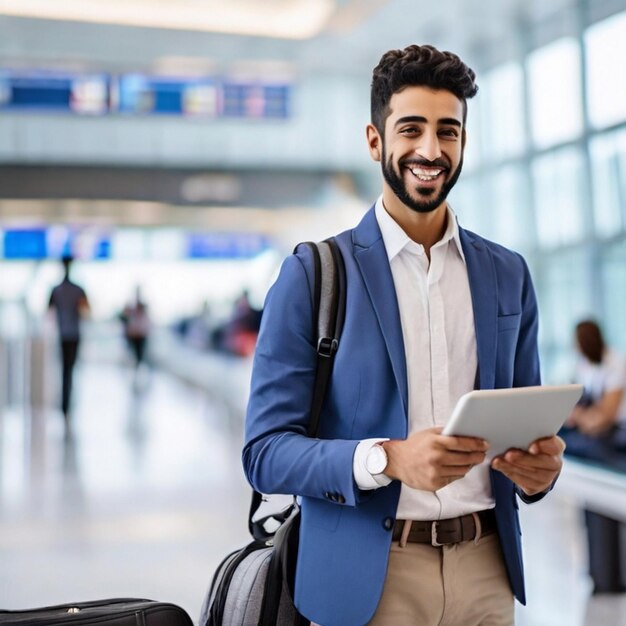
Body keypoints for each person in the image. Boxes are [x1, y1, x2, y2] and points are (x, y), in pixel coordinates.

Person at [242, 44, 565, 626]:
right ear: (375, 140)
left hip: (487, 573)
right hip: (370, 579)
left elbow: (524, 429)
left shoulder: (507, 273)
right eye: (411, 129)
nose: (430, 150)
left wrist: (540, 472)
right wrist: (389, 459)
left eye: (448, 131)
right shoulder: (314, 275)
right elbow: (264, 454)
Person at [561, 319, 626, 593]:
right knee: (592, 509)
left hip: (614, 439)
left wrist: (583, 418)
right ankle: (600, 574)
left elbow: (606, 416)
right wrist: (581, 418)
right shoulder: (584, 365)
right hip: (593, 440)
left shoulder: (615, 364)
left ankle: (612, 577)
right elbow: (574, 409)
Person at [48, 255, 90, 423]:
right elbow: (86, 311)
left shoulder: (56, 290)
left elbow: (49, 311)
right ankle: (67, 403)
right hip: (73, 334)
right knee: (70, 369)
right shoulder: (78, 290)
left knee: (65, 369)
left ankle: (65, 404)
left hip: (63, 334)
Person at [120, 286, 151, 370]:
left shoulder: (143, 306)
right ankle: (132, 369)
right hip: (132, 335)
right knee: (131, 355)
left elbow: (146, 322)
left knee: (139, 357)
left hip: (140, 335)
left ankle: (137, 370)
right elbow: (124, 319)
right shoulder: (130, 307)